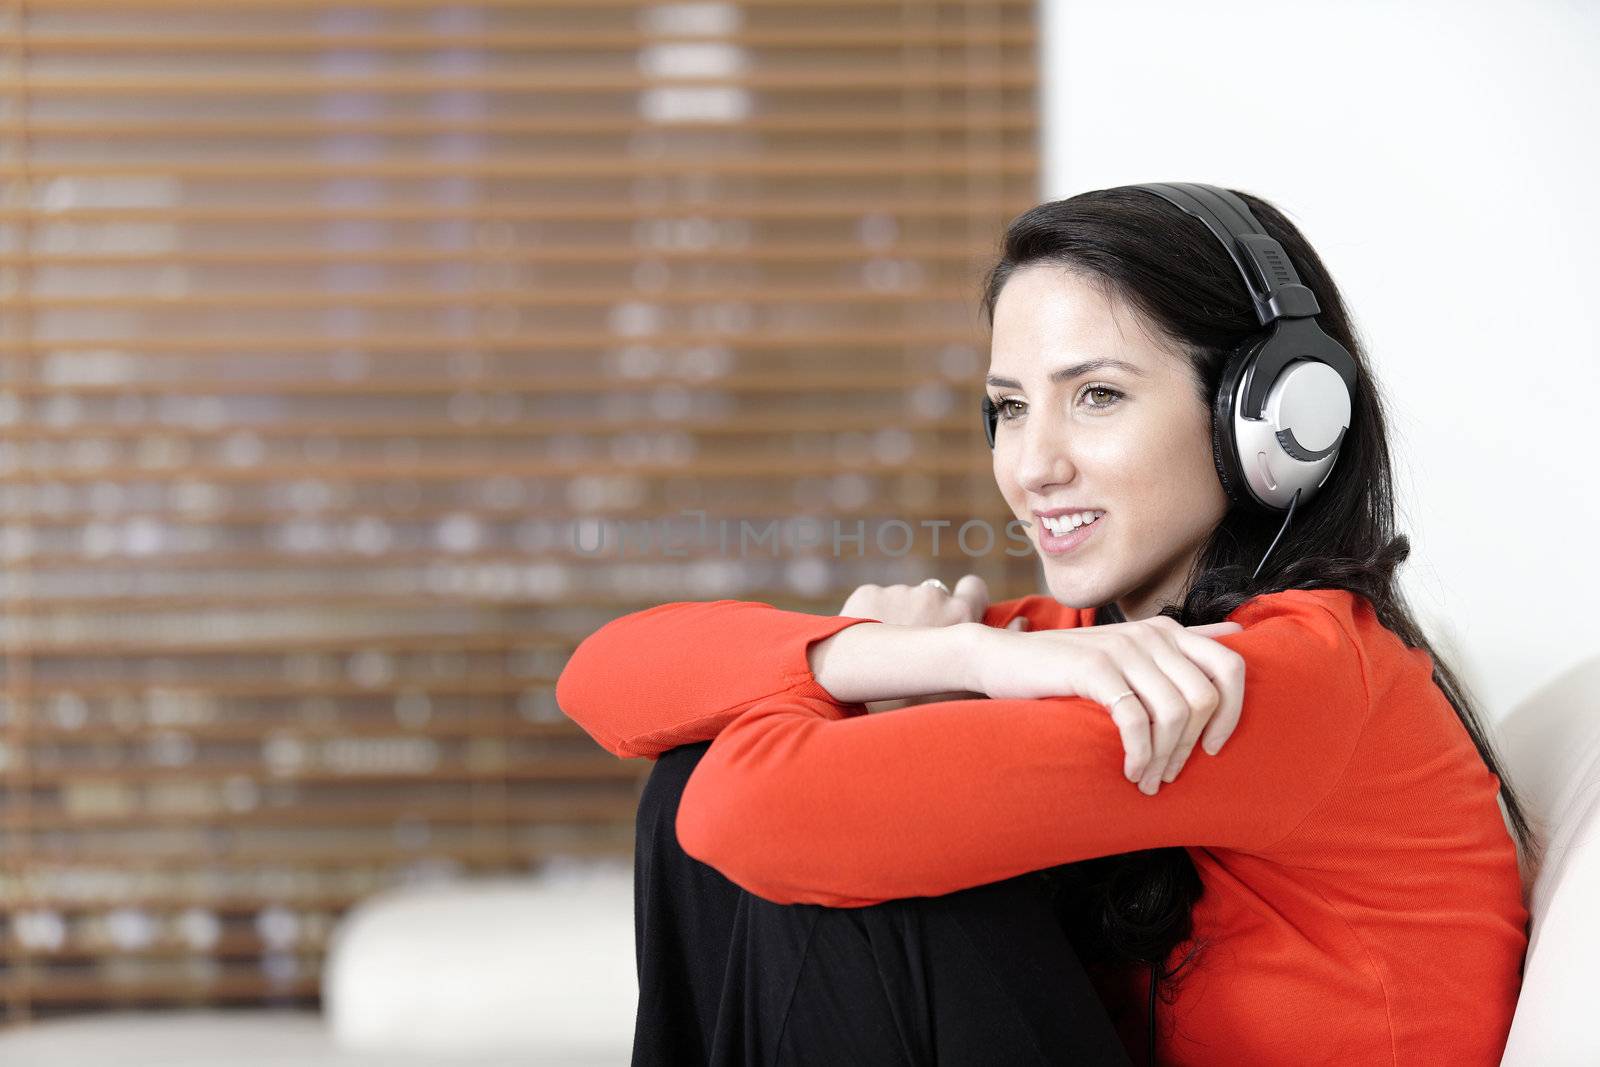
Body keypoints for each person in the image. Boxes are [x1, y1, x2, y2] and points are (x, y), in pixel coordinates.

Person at [556, 185, 1534, 1065]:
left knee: (773, 803)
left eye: (1096, 395)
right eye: (1009, 409)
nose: (1032, 465)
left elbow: (736, 812)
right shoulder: (1090, 642)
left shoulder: (1263, 676)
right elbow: (604, 677)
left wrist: (882, 687)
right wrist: (948, 651)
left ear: (1273, 418)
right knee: (727, 761)